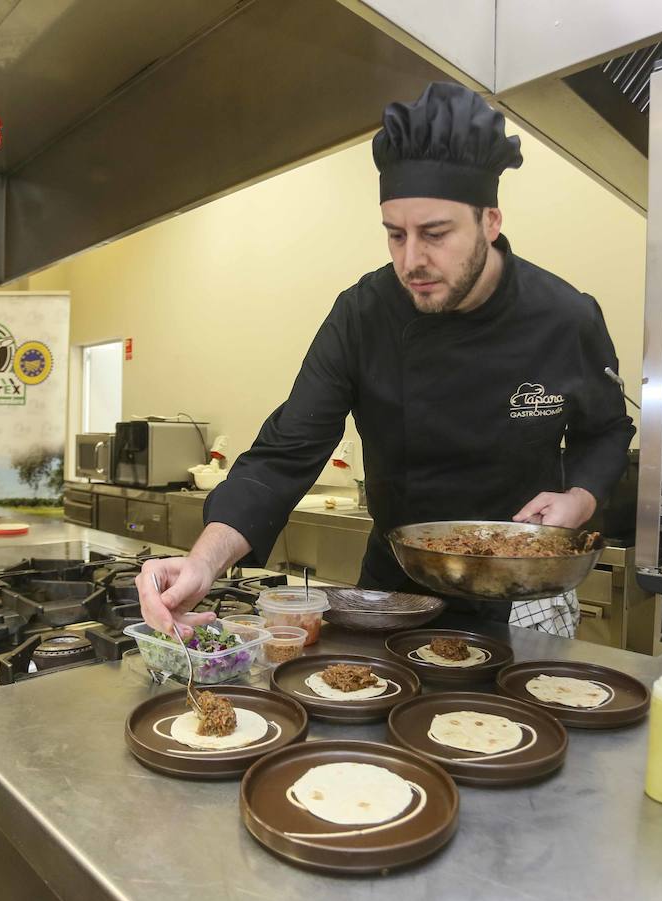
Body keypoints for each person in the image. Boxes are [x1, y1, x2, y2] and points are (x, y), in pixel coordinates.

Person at [137, 82, 634, 638]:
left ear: (490, 222)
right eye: (395, 235)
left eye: (435, 233)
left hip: (521, 588)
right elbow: (285, 452)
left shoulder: (565, 317)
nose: (411, 260)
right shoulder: (363, 314)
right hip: (396, 586)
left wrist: (579, 497)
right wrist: (203, 562)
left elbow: (607, 430)